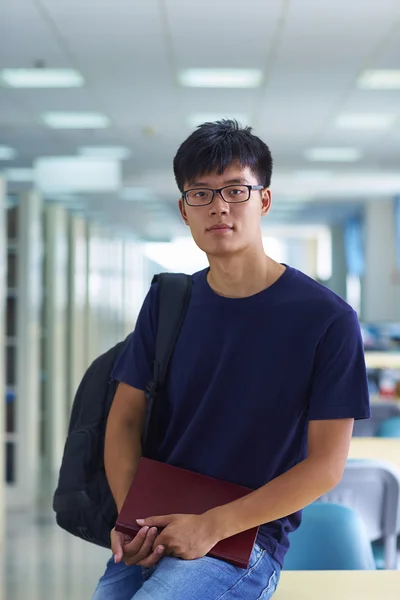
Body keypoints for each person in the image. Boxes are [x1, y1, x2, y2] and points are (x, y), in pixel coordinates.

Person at [92, 119, 370, 600]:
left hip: (246, 538)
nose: (219, 206)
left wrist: (212, 527)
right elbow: (123, 422)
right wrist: (129, 519)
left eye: (235, 190)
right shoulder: (168, 301)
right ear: (184, 210)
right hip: (156, 526)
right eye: (201, 193)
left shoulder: (327, 319)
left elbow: (326, 465)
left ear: (263, 200)